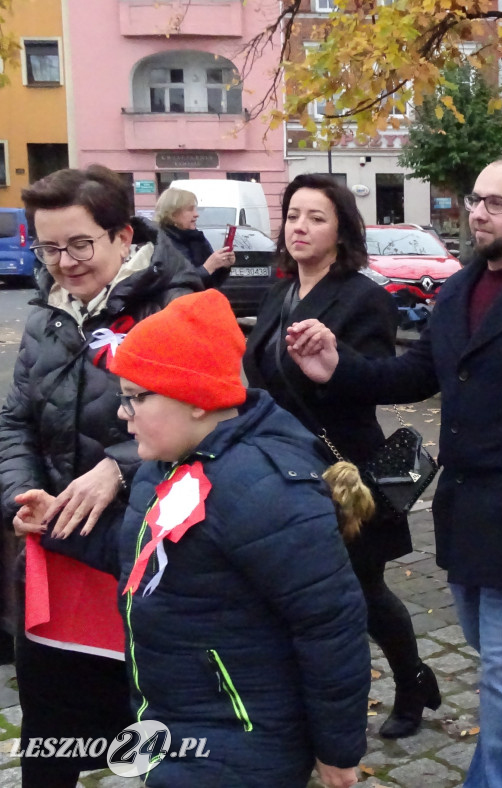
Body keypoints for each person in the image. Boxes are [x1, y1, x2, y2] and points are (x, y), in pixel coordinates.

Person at [285, 158, 502, 785]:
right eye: (476, 200)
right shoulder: (458, 287)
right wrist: (339, 367)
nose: (479, 212)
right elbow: (416, 373)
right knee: (493, 641)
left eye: (498, 203)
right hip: (466, 505)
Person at [33, 290, 370, 788]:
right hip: (173, 721)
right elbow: (146, 555)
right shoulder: (162, 466)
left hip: (244, 740)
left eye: (135, 397)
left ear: (194, 401)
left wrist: (338, 750)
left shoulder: (266, 488)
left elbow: (330, 625)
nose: (123, 415)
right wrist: (56, 529)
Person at [0, 165, 203, 787]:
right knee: (51, 735)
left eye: (80, 244)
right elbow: (14, 424)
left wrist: (116, 468)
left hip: (145, 555)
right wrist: (22, 491)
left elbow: (213, 425)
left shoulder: (176, 309)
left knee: (155, 733)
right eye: (50, 247)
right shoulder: (44, 318)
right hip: (56, 553)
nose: (64, 262)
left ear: (122, 236)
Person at [243, 173, 440, 739]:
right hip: (279, 469)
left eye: (316, 217)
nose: (300, 227)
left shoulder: (363, 296)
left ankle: (411, 682)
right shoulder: (280, 291)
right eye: (294, 215)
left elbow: (374, 382)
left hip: (343, 472)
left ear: (341, 230)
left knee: (364, 591)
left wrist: (328, 364)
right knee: (294, 592)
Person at [153, 186, 235, 287]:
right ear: (173, 214)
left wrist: (223, 266)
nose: (196, 214)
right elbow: (172, 283)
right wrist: (206, 268)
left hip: (202, 301)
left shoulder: (197, 239)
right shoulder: (160, 242)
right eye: (190, 209)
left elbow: (212, 283)